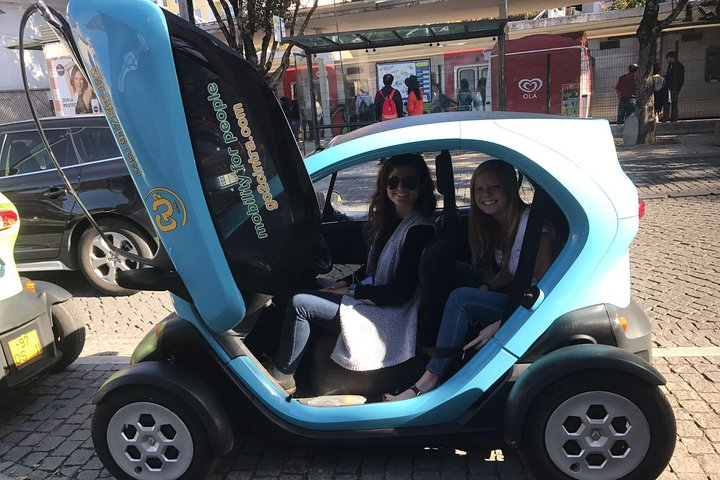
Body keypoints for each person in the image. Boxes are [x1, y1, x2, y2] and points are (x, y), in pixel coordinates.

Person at [384, 160, 555, 401]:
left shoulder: (536, 231)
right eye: (479, 190)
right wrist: (486, 286)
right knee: (450, 269)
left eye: (494, 187)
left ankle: (428, 380)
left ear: (510, 188)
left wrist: (502, 324)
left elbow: (546, 295)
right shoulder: (501, 223)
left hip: (529, 309)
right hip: (514, 293)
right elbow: (509, 272)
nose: (486, 195)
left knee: (461, 298)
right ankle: (423, 339)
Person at [269, 153, 437, 393]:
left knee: (301, 304)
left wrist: (352, 290)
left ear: (421, 185)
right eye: (392, 182)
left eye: (409, 182)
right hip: (379, 301)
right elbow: (375, 271)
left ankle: (281, 378)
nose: (400, 188)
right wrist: (343, 283)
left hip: (391, 315)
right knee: (310, 285)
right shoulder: (395, 222)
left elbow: (400, 292)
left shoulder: (419, 230)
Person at [663, 51, 685, 122]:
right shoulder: (670, 66)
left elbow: (681, 78)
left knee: (674, 103)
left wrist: (678, 88)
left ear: (671, 57)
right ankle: (667, 118)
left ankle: (674, 118)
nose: (667, 60)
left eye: (668, 58)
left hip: (675, 87)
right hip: (669, 87)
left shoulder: (679, 66)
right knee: (668, 102)